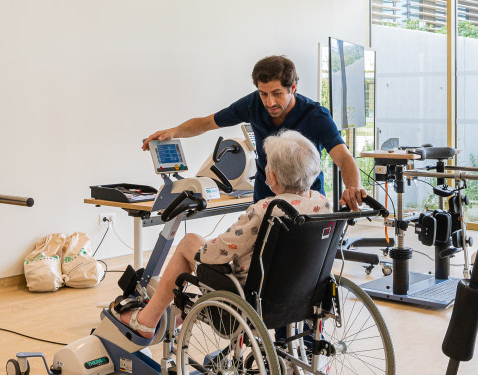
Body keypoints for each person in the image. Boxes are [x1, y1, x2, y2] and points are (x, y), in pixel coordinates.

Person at [113, 130, 330, 338]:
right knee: (204, 246)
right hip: (299, 290)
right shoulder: (321, 203)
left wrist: (206, 245)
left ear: (272, 175)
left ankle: (147, 320)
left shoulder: (266, 209)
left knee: (190, 242)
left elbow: (218, 252)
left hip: (252, 291)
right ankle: (183, 312)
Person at [142, 55, 366, 210]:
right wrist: (172, 132)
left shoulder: (316, 116)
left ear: (293, 88)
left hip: (306, 197)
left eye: (277, 93)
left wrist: (353, 187)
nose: (270, 102)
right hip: (265, 194)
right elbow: (207, 123)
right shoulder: (252, 105)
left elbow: (343, 157)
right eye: (263, 93)